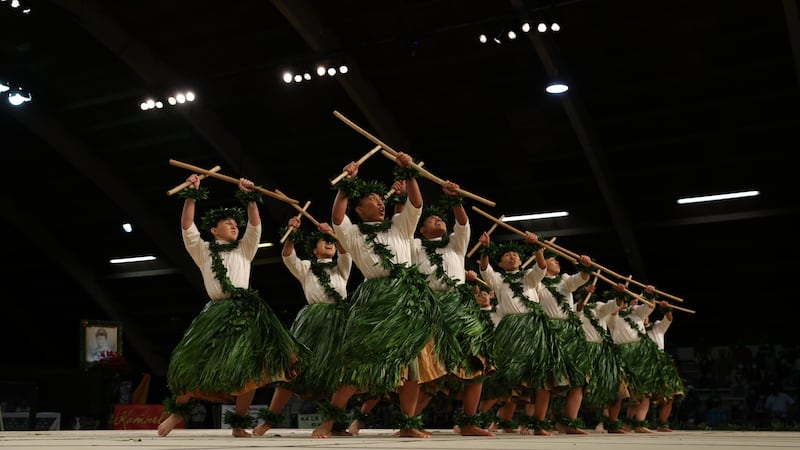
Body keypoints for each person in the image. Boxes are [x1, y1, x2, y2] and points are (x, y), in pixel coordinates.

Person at [157, 174, 306, 438]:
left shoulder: (244, 250)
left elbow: (255, 228)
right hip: (215, 313)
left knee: (248, 369)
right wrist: (192, 194)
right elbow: (187, 227)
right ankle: (177, 413)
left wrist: (250, 198)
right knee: (188, 363)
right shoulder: (203, 250)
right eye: (227, 223)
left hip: (245, 312)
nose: (234, 226)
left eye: (235, 223)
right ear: (213, 231)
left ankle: (238, 423)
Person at [312, 152, 437, 439]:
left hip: (406, 297)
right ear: (359, 209)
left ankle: (407, 423)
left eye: (382, 201)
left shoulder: (399, 227)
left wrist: (410, 172)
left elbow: (416, 204)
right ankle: (330, 422)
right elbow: (336, 217)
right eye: (373, 200)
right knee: (359, 359)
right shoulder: (353, 235)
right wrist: (347, 184)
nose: (380, 203)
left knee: (411, 360)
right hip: (376, 297)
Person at [408, 183, 495, 437]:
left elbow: (463, 224)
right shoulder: (415, 247)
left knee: (476, 362)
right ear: (422, 230)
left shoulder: (456, 245)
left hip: (459, 307)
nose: (438, 220)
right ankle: (409, 421)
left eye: (440, 218)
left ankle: (469, 421)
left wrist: (455, 200)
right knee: (424, 368)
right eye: (432, 219)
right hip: (428, 308)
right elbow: (403, 226)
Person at [252, 218, 352, 436]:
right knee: (293, 370)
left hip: (339, 322)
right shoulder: (306, 268)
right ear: (314, 250)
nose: (329, 244)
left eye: (331, 242)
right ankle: (269, 420)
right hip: (312, 322)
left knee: (339, 374)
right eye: (324, 241)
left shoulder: (341, 267)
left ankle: (333, 423)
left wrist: (335, 234)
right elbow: (288, 256)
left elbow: (346, 251)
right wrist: (293, 232)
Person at [477, 230, 557, 436]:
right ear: (501, 264)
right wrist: (486, 248)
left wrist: (536, 247)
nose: (512, 256)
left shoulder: (529, 278)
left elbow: (541, 267)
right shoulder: (498, 280)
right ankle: (477, 418)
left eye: (516, 255)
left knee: (541, 375)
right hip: (510, 328)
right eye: (507, 255)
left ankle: (538, 423)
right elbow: (484, 269)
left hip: (534, 328)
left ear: (521, 261)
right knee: (504, 375)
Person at [533, 249, 593, 435]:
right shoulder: (537, 282)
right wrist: (539, 253)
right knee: (547, 379)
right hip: (547, 332)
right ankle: (540, 424)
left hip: (569, 332)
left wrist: (585, 265)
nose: (557, 263)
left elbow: (581, 278)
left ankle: (570, 422)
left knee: (578, 378)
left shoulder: (565, 280)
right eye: (553, 260)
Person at [607, 284, 661, 434]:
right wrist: (618, 303)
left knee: (643, 391)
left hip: (640, 353)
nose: (625, 303)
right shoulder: (612, 314)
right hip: (621, 353)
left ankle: (638, 423)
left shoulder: (636, 312)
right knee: (620, 391)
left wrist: (650, 294)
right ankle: (613, 424)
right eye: (622, 300)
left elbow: (649, 307)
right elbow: (611, 320)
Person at [645, 300, 686, 432]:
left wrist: (666, 309)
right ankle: (633, 423)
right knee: (641, 397)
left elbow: (668, 318)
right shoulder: (633, 328)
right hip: (644, 365)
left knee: (669, 395)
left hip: (661, 365)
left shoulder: (657, 326)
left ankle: (662, 424)